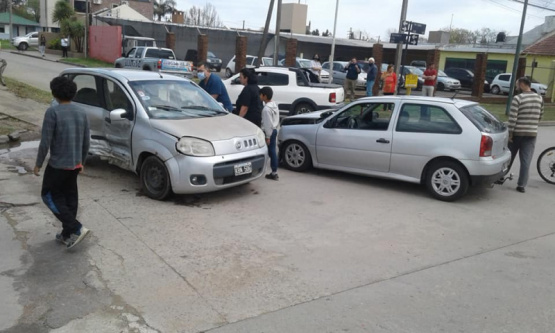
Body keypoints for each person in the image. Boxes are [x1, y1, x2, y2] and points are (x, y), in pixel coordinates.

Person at [34, 76, 91, 249]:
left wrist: (38, 163)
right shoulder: (81, 112)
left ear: (55, 93)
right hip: (74, 164)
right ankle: (67, 234)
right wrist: (82, 161)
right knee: (69, 197)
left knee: (49, 195)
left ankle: (76, 228)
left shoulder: (53, 112)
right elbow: (86, 140)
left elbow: (46, 141)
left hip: (58, 165)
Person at [497, 77, 544, 193]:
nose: (517, 87)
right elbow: (540, 115)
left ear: (523, 85)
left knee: (508, 156)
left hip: (517, 133)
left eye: (517, 85)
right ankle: (521, 185)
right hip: (532, 133)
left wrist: (511, 134)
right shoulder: (539, 98)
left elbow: (513, 118)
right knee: (526, 160)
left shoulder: (518, 98)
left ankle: (501, 176)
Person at [260, 86, 280, 181]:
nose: (260, 96)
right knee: (272, 151)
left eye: (261, 95)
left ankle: (273, 172)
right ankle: (274, 171)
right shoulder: (274, 105)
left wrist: (267, 136)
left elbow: (268, 124)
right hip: (275, 129)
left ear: (264, 96)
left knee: (270, 151)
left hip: (270, 131)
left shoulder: (266, 109)